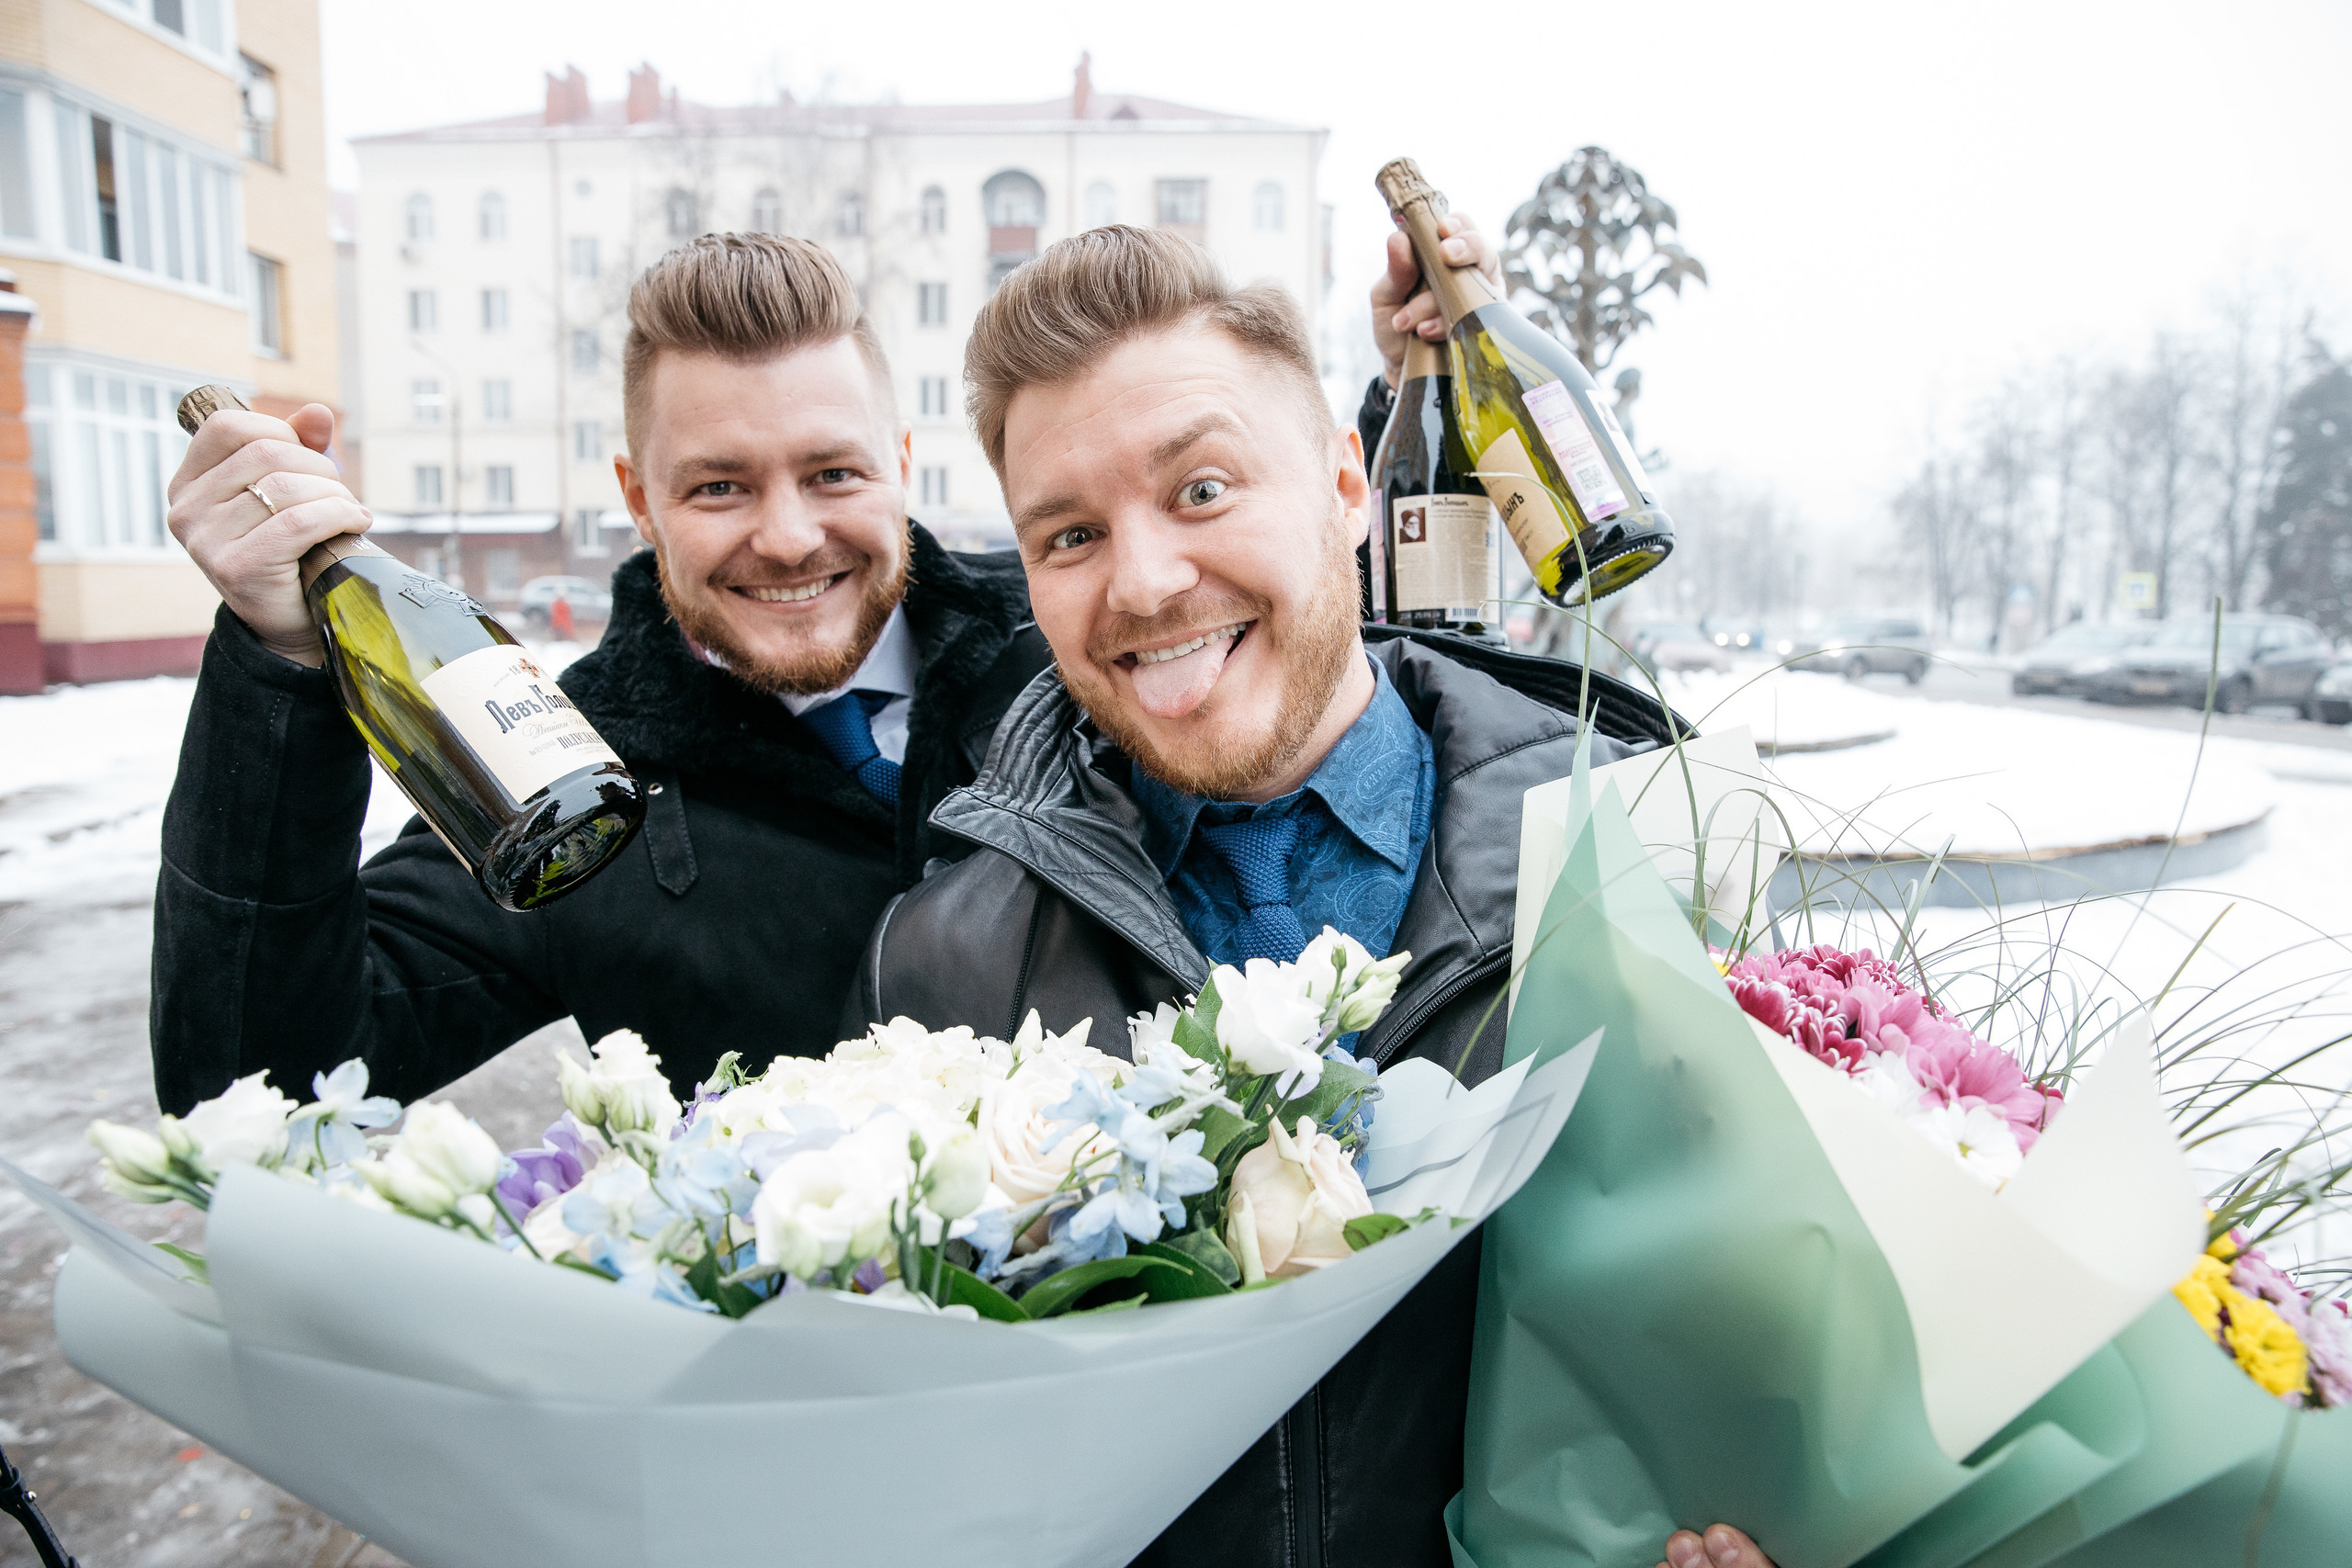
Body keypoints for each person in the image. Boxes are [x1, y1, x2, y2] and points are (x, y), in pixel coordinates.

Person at [852, 227, 1775, 1568]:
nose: (1146, 578)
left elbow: (1773, 1329)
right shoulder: (939, 968)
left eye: (1206, 487)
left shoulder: (1637, 851)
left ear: (1349, 481)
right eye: (1069, 532)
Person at [150, 234, 1051, 1111]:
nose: (787, 537)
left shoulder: (1062, 649)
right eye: (718, 487)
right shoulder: (565, 770)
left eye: (832, 473)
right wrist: (281, 664)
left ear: (897, 462)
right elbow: (255, 1087)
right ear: (638, 501)